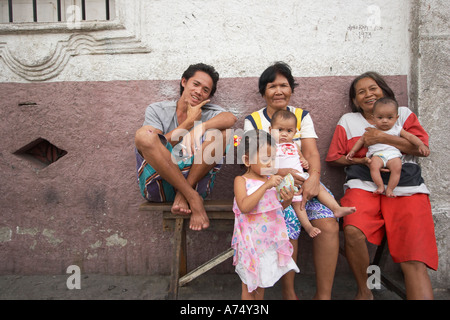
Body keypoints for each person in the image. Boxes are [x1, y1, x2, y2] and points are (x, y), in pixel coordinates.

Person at [326, 71, 438, 300]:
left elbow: (422, 149)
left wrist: (381, 138)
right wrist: (362, 160)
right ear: (355, 101)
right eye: (361, 92)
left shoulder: (403, 115)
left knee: (414, 255)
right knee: (353, 230)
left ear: (384, 90)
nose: (368, 94)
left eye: (373, 88)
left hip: (406, 188)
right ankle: (364, 291)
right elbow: (334, 157)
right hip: (364, 184)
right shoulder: (349, 121)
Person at [244, 61, 340, 300]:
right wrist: (282, 171)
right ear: (263, 91)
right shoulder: (253, 121)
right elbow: (253, 162)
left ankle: (324, 296)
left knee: (328, 224)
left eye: (284, 85)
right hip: (271, 184)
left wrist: (313, 179)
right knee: (289, 226)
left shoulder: (302, 117)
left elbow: (311, 153)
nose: (278, 91)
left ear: (291, 89)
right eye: (272, 86)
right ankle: (289, 292)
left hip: (304, 180)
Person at [134, 63, 237, 231]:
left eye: (205, 90)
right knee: (143, 135)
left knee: (225, 133)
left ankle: (185, 193)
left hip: (195, 183)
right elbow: (155, 144)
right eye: (195, 84)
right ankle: (192, 197)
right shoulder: (158, 109)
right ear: (184, 82)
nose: (199, 92)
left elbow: (230, 118)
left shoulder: (209, 112)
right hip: (159, 185)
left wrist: (200, 127)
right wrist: (189, 122)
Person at [232, 129, 299, 300]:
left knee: (261, 287)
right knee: (248, 288)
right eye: (265, 158)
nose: (270, 163)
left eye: (273, 158)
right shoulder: (242, 181)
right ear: (247, 160)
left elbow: (278, 208)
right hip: (250, 244)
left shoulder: (271, 180)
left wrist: (288, 200)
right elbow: (245, 206)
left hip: (268, 243)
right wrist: (266, 186)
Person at [270, 109, 356, 237]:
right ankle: (308, 227)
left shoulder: (294, 146)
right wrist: (281, 172)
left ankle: (335, 208)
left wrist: (304, 162)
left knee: (319, 187)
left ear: (295, 132)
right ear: (270, 129)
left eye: (289, 131)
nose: (284, 134)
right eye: (279, 130)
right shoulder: (270, 147)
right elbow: (268, 167)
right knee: (299, 204)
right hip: (283, 181)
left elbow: (301, 157)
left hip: (300, 178)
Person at [346, 97, 430, 197]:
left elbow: (411, 136)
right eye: (380, 118)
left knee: (397, 168)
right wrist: (352, 151)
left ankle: (390, 189)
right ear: (374, 118)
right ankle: (380, 186)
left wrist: (420, 144)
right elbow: (361, 141)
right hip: (377, 155)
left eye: (389, 118)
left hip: (393, 155)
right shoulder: (370, 130)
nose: (385, 121)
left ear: (396, 118)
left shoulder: (397, 129)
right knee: (373, 166)